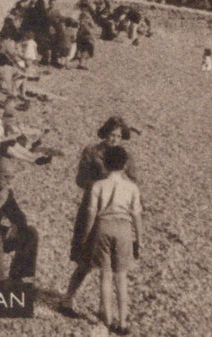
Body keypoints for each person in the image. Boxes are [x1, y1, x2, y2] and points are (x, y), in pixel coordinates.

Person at [61, 116, 136, 318]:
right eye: (111, 135)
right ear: (104, 133)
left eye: (118, 136)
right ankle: (68, 298)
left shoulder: (125, 155)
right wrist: (103, 183)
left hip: (115, 212)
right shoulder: (91, 152)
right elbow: (80, 180)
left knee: (111, 264)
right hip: (92, 208)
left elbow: (137, 179)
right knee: (85, 259)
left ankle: (105, 309)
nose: (114, 139)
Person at [81, 145, 142, 335]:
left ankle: (107, 319)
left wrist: (85, 235)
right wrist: (139, 239)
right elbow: (137, 215)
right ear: (125, 165)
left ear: (105, 164)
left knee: (105, 275)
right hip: (123, 228)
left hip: (102, 227)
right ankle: (123, 321)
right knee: (121, 276)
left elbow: (91, 212)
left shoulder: (98, 185)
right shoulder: (132, 187)